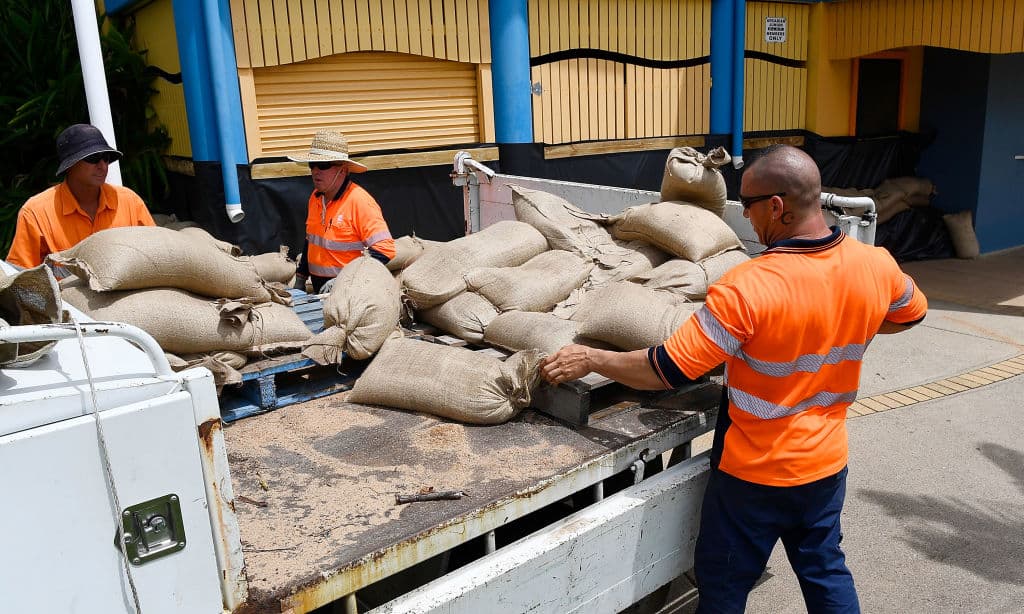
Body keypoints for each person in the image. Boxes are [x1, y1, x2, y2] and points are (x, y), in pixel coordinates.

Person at [540, 145, 928, 613]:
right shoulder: (876, 264)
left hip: (754, 477)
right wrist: (850, 320)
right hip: (825, 465)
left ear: (777, 207)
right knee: (825, 572)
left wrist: (592, 359)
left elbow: (666, 369)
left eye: (748, 204)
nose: (744, 214)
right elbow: (911, 314)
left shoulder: (749, 285)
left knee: (724, 586)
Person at [6, 124, 155, 270]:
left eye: (106, 158)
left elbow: (155, 253)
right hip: (63, 295)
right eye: (94, 158)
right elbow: (19, 277)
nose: (103, 166)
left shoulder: (129, 201)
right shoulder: (35, 213)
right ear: (70, 165)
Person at [288, 129, 395, 293]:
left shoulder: (359, 201)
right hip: (320, 294)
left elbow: (385, 249)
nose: (315, 171)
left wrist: (345, 280)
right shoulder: (315, 198)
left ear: (343, 170)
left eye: (323, 165)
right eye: (312, 165)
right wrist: (301, 279)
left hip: (349, 294)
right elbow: (311, 241)